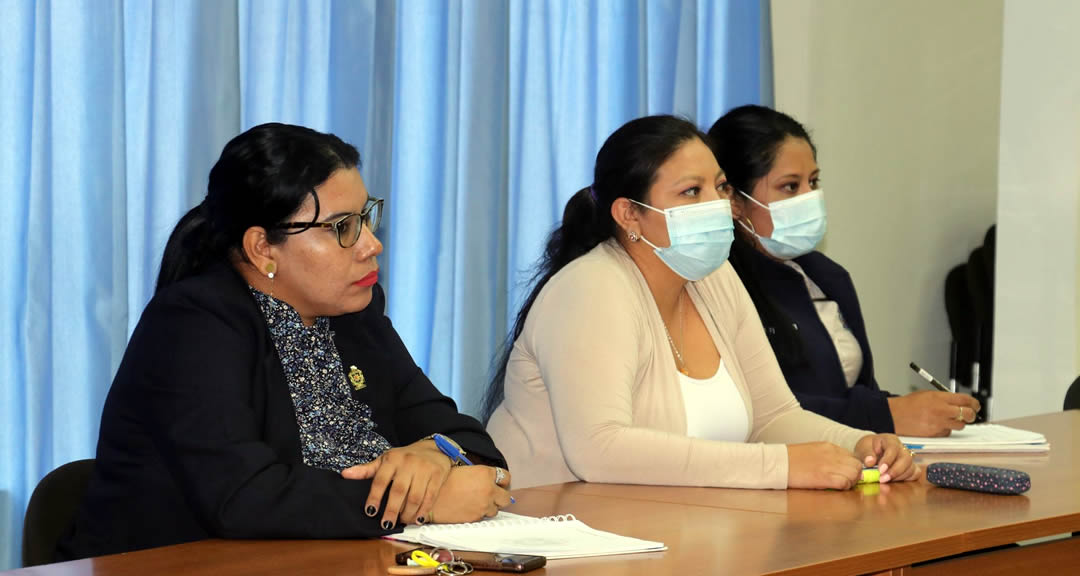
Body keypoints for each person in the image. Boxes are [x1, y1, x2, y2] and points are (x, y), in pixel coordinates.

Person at [60, 123, 511, 560]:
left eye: (366, 217)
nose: (371, 244)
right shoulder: (194, 323)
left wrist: (433, 455)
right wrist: (422, 504)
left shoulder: (355, 317)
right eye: (342, 227)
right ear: (262, 248)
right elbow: (243, 497)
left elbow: (471, 441)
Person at [482, 115, 918, 491]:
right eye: (692, 192)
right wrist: (781, 466)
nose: (718, 205)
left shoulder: (715, 278)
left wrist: (858, 443)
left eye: (721, 186)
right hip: (558, 543)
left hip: (671, 532)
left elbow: (773, 417)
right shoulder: (591, 289)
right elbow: (600, 448)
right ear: (629, 215)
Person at [707, 105, 981, 436]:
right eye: (791, 186)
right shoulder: (719, 285)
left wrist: (918, 411)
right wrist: (887, 415)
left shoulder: (827, 277)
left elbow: (853, 395)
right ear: (735, 201)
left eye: (814, 181)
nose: (810, 198)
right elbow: (760, 413)